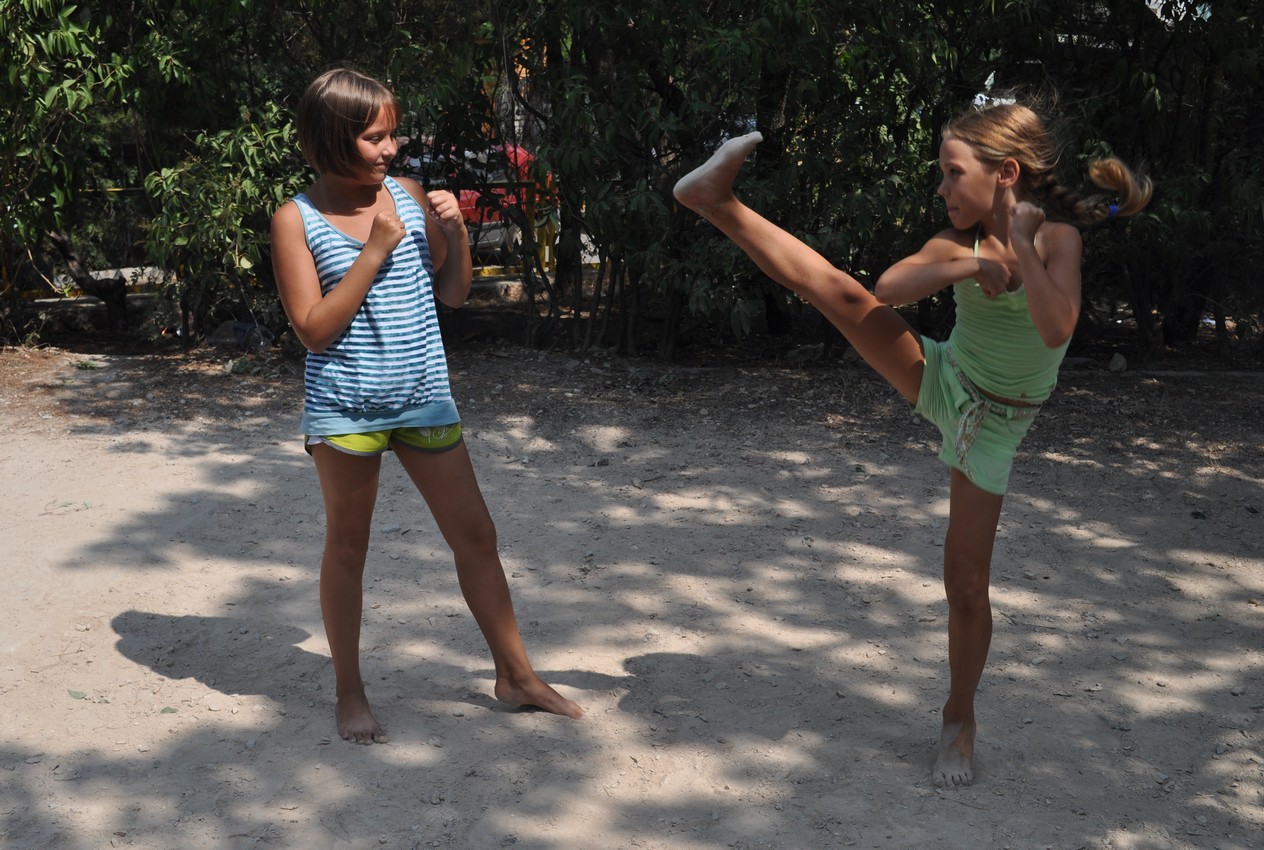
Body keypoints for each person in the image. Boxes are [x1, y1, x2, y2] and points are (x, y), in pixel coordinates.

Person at [674, 101, 1150, 787]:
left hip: (995, 426)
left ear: (1005, 172)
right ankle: (716, 201)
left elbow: (1055, 328)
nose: (942, 187)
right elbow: (889, 287)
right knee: (838, 294)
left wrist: (1019, 247)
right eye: (942, 173)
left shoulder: (1058, 241)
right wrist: (972, 264)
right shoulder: (960, 244)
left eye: (953, 173)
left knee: (966, 585)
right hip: (945, 379)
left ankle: (960, 718)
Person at [271, 68, 583, 744]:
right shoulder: (296, 219)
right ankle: (350, 692)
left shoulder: (408, 196)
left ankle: (516, 675)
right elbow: (313, 330)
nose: (391, 148)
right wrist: (373, 251)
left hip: (423, 398)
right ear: (331, 139)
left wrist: (459, 236)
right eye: (374, 137)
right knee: (348, 547)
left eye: (393, 134)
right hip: (347, 409)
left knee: (477, 536)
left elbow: (453, 293)